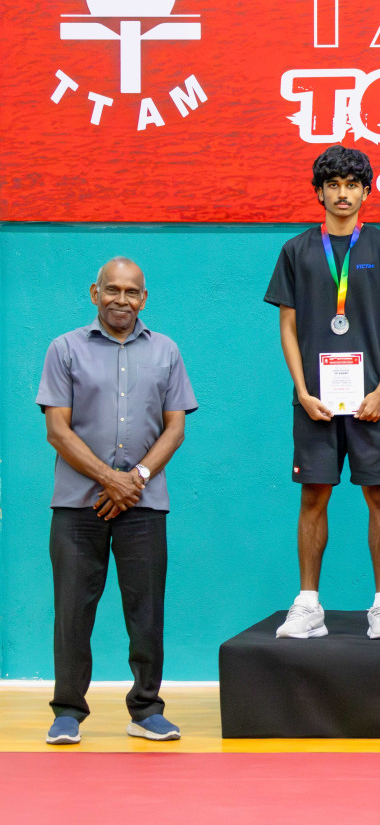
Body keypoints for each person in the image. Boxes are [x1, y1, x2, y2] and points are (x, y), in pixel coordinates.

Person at [265, 145, 380, 641]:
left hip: (372, 400)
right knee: (314, 495)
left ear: (365, 191)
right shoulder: (296, 250)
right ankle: (309, 604)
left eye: (351, 184)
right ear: (318, 192)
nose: (342, 193)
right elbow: (288, 328)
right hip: (315, 402)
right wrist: (301, 388)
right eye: (332, 184)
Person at [38, 257, 197, 745]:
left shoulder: (166, 351)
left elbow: (176, 427)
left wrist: (137, 479)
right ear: (95, 292)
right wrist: (111, 479)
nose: (121, 300)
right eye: (113, 290)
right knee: (72, 610)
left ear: (143, 298)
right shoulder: (64, 349)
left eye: (132, 292)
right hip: (76, 505)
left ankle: (146, 709)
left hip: (144, 506)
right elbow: (57, 429)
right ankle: (67, 711)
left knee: (146, 610)